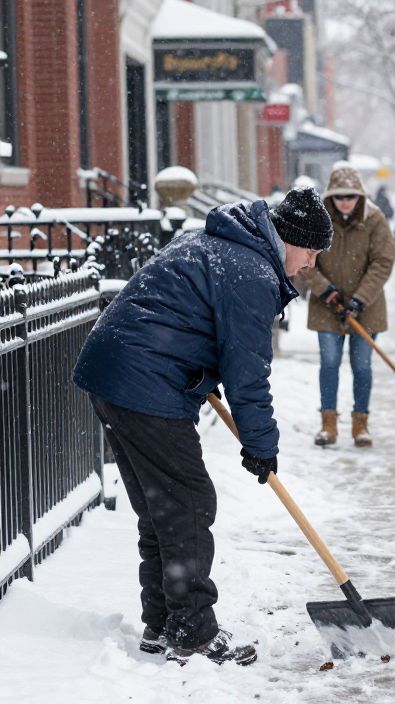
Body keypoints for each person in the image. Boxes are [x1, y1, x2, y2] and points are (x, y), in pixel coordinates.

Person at [73, 187, 332, 665]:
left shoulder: (217, 244)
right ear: (289, 239)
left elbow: (176, 313)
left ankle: (163, 625)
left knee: (162, 509)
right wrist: (260, 444)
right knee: (188, 504)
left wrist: (194, 365)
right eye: (312, 251)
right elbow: (247, 371)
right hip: (143, 382)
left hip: (112, 372)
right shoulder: (250, 271)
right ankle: (192, 633)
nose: (312, 263)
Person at [305, 162, 395, 448]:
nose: (345, 202)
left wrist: (359, 299)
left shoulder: (375, 219)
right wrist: (326, 291)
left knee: (362, 365)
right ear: (330, 196)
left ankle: (361, 424)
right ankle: (328, 424)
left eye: (351, 196)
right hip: (326, 306)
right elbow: (304, 259)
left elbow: (383, 261)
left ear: (360, 196)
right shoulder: (317, 220)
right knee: (330, 363)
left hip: (365, 307)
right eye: (339, 196)